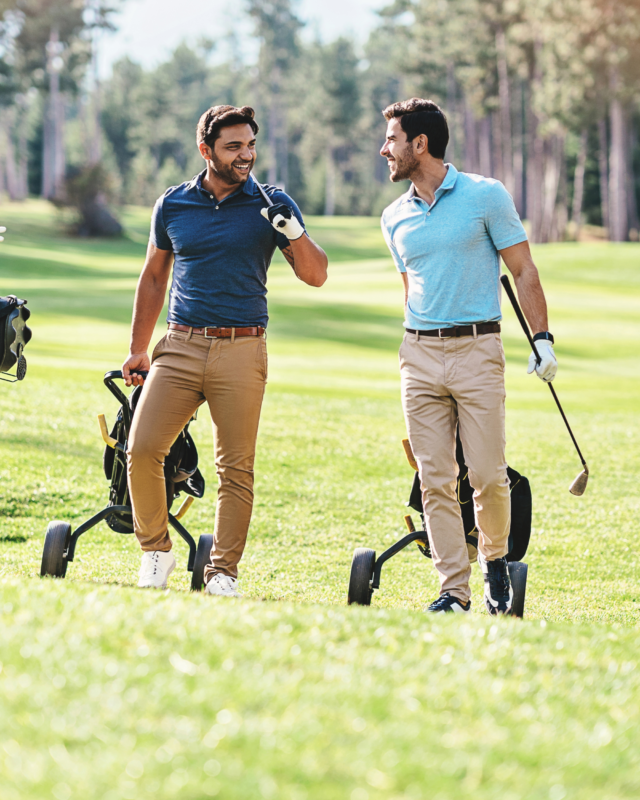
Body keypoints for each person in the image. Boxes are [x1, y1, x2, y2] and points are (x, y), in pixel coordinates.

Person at [122, 105, 328, 594]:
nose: (246, 156)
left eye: (251, 145)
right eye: (234, 146)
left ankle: (221, 573)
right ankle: (156, 552)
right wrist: (137, 348)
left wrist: (293, 233)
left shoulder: (273, 202)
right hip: (180, 345)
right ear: (206, 150)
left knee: (235, 468)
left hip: (243, 348)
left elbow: (316, 274)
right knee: (142, 448)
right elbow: (154, 277)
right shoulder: (173, 205)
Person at [379, 98, 557, 615]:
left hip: (478, 348)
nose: (383, 150)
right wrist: (413, 347)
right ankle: (452, 590)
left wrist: (542, 338)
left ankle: (495, 563)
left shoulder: (485, 196)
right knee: (434, 478)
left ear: (420, 143)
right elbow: (410, 288)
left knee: (486, 474)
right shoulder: (393, 217)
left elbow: (523, 270)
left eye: (391, 140)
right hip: (418, 354)